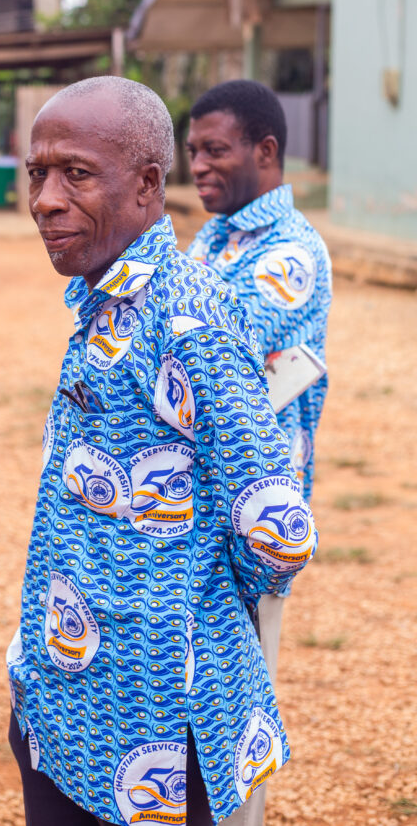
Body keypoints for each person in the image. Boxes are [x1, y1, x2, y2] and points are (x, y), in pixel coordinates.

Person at [7, 76, 318, 826]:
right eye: (37, 174)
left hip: (150, 723)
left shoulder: (188, 321)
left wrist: (191, 610)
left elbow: (279, 533)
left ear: (148, 184)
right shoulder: (111, 300)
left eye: (75, 174)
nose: (46, 200)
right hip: (68, 694)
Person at [185, 79, 331, 825]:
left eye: (215, 149)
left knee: (241, 699)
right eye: (192, 151)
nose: (198, 166)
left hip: (253, 511)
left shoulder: (291, 253)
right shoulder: (215, 239)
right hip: (192, 503)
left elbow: (211, 341)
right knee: (192, 689)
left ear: (265, 150)